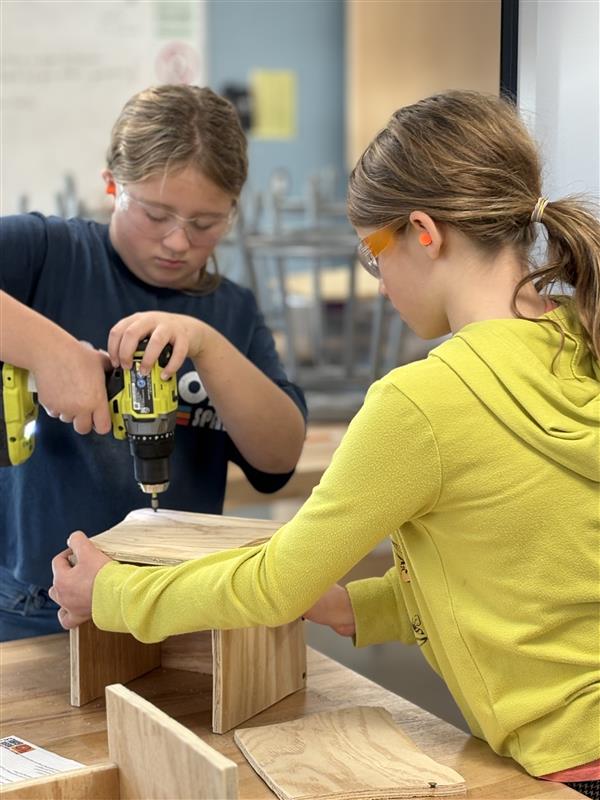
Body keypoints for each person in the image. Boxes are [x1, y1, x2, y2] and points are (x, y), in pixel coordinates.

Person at [50, 90, 599, 795]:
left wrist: (112, 594)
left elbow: (275, 586)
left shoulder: (422, 403)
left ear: (424, 233)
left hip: (574, 764)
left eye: (373, 253)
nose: (381, 281)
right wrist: (355, 605)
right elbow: (526, 573)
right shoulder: (577, 338)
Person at [0, 84, 307, 641]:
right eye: (156, 213)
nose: (178, 242)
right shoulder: (46, 255)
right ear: (112, 185)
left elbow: (278, 460)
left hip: (176, 610)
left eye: (205, 223)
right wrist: (50, 351)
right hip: (34, 609)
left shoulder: (231, 310)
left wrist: (208, 345)